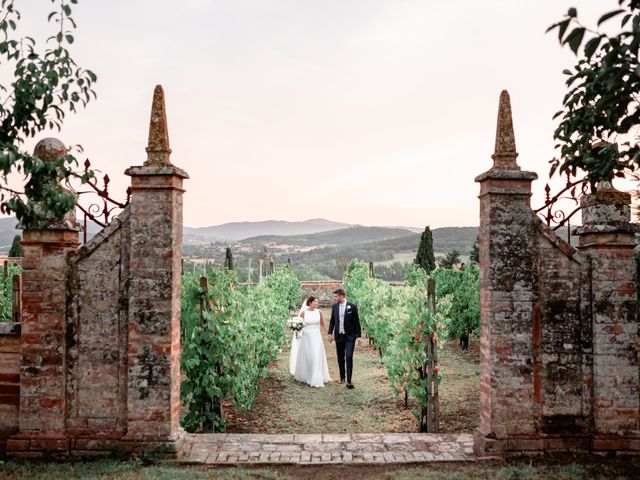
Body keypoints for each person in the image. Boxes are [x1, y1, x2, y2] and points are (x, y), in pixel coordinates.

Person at [293, 296, 331, 388]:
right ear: (310, 303)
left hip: (317, 337)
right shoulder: (303, 313)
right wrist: (296, 331)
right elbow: (300, 326)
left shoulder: (319, 312)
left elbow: (322, 325)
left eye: (317, 301)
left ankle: (316, 378)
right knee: (309, 357)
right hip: (307, 337)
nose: (316, 303)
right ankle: (308, 375)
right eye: (315, 301)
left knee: (316, 356)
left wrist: (328, 335)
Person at [328, 288, 361, 389]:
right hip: (339, 336)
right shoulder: (334, 307)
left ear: (342, 296)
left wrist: (359, 336)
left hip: (350, 336)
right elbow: (332, 321)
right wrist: (330, 333)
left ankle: (349, 381)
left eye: (336, 296)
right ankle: (342, 377)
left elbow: (357, 322)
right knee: (340, 357)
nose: (335, 298)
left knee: (349, 357)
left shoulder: (352, 306)